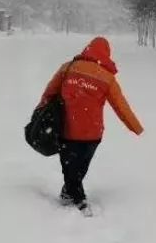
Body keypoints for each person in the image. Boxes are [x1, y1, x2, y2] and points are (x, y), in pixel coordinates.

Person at [39, 36, 144, 212]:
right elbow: (121, 106)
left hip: (66, 129)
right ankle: (78, 198)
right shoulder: (107, 78)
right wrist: (136, 127)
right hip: (92, 133)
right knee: (80, 166)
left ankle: (70, 192)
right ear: (106, 54)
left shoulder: (67, 68)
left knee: (69, 165)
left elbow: (49, 92)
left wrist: (41, 112)